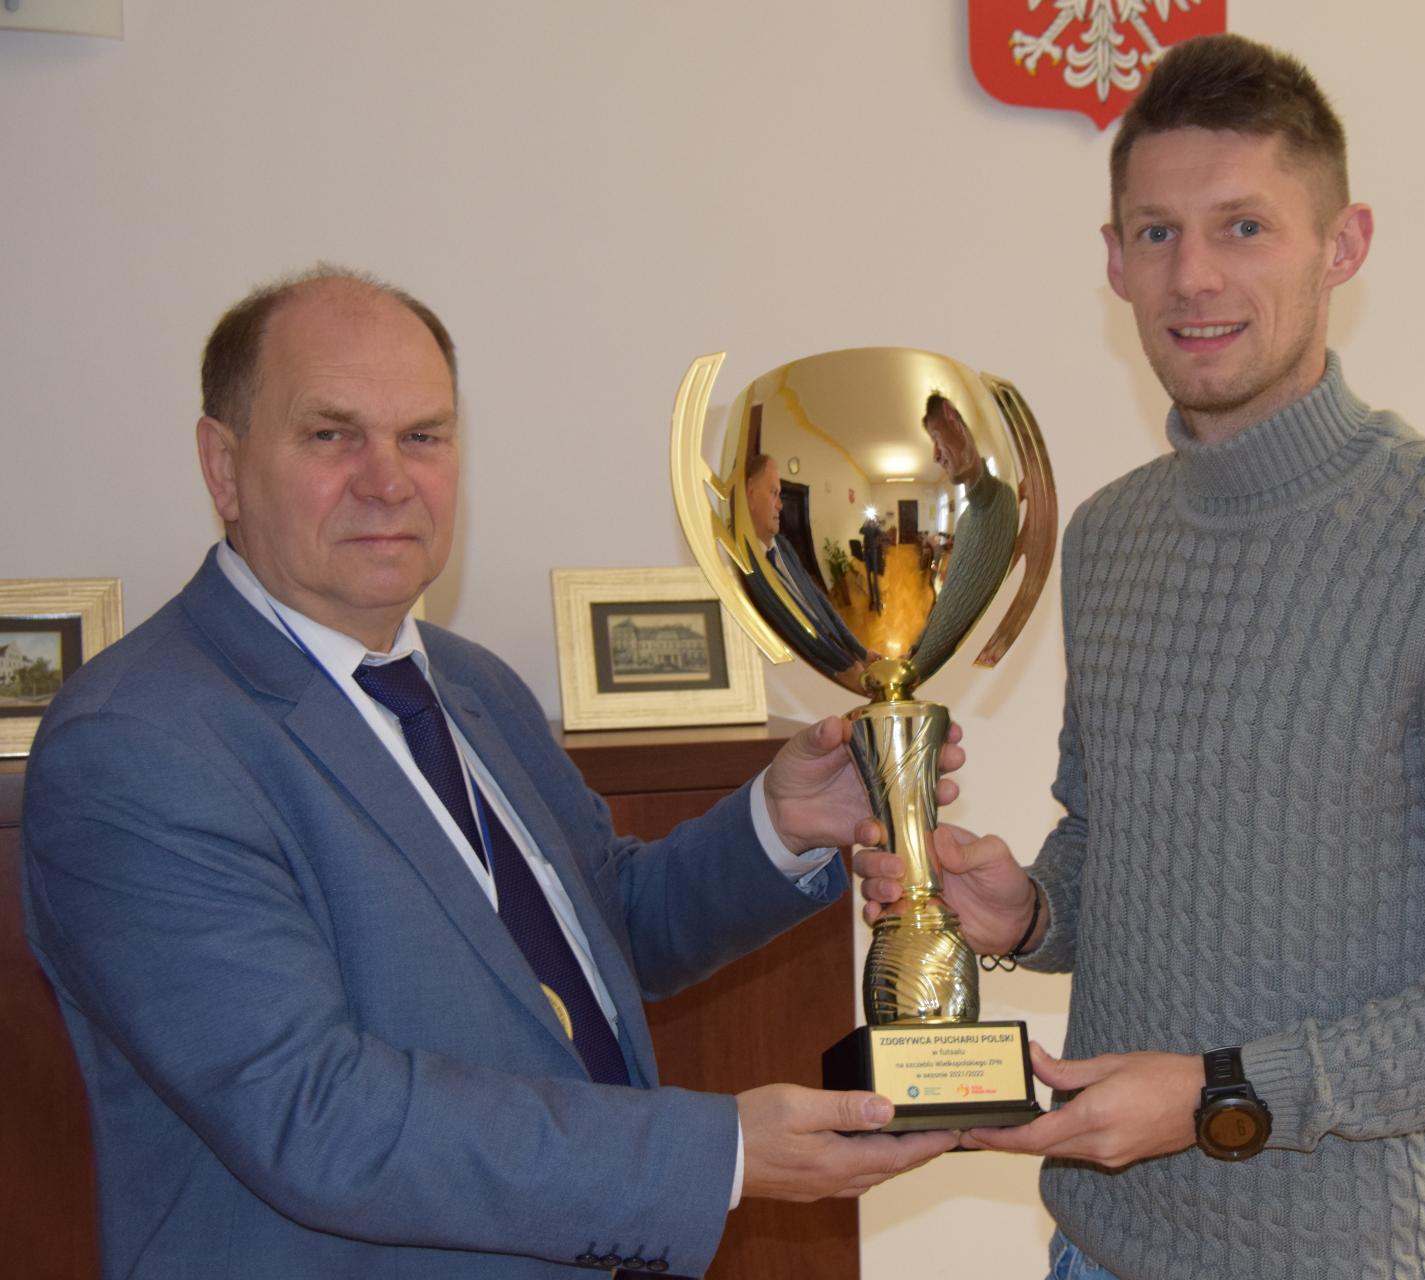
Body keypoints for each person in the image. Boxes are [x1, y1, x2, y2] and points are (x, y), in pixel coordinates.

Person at [856, 34, 1425, 1280]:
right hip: (1099, 1252)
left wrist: (1228, 1092)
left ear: (1344, 244)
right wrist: (1031, 910)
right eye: (1156, 233)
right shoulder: (1109, 538)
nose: (1193, 275)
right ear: (1112, 258)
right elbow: (1126, 848)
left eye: (1245, 227)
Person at [20, 267, 960, 1280]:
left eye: (422, 435)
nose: (388, 478)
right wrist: (719, 1153)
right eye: (331, 434)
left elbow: (607, 931)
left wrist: (778, 823)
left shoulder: (469, 684)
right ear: (223, 464)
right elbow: (316, 1113)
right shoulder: (138, 744)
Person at [911, 392, 1020, 673]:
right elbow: (949, 600)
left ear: (951, 416)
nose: (935, 455)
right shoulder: (965, 519)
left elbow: (959, 617)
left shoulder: (1000, 500)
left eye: (936, 437)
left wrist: (915, 669)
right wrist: (918, 645)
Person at [741, 452, 869, 679]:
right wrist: (841, 671)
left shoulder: (784, 546)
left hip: (844, 657)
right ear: (751, 494)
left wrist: (861, 652)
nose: (780, 505)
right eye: (774, 493)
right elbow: (793, 639)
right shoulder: (748, 570)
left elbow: (820, 601)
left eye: (780, 494)